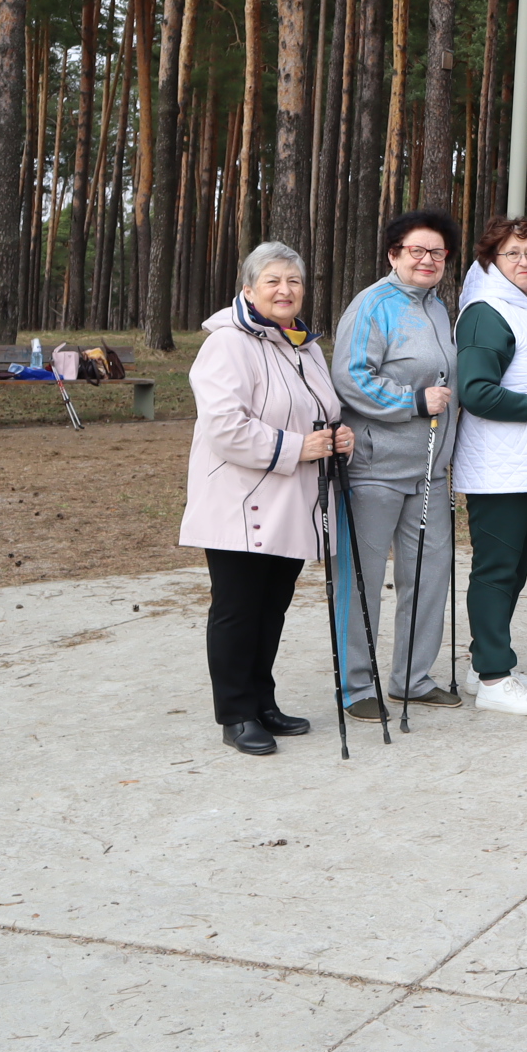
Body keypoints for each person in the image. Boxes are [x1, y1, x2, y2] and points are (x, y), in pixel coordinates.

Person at [181, 241, 352, 756]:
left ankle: (262, 701)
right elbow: (225, 428)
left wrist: (338, 436)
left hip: (294, 498)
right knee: (237, 608)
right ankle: (235, 714)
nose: (285, 290)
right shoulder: (227, 344)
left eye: (294, 282)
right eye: (273, 281)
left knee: (271, 607)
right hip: (240, 501)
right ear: (248, 289)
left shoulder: (305, 345)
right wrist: (302, 447)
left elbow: (320, 409)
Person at [329, 210, 461, 721]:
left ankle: (412, 676)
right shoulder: (372, 306)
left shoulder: (438, 308)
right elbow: (351, 378)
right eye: (417, 251)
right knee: (360, 577)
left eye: (438, 253)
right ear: (394, 254)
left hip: (429, 471)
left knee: (428, 574)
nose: (427, 260)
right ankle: (356, 686)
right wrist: (412, 401)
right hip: (375, 466)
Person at [455, 217, 527, 718]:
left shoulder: (524, 307)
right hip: (501, 469)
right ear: (490, 261)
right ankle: (493, 678)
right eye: (512, 254)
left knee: (516, 568)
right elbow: (476, 391)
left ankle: (484, 661)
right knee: (497, 571)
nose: (524, 262)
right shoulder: (487, 312)